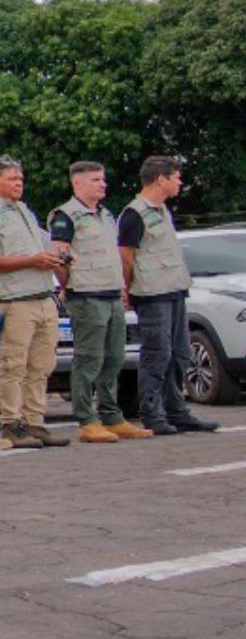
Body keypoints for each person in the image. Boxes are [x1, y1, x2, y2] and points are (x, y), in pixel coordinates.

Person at [49, 161, 149, 443]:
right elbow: (59, 257)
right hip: (87, 295)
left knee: (114, 357)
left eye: (102, 179)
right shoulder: (65, 216)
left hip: (111, 293)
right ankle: (86, 420)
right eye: (95, 180)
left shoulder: (105, 215)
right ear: (77, 184)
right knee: (89, 359)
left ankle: (112, 415)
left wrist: (121, 289)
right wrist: (69, 285)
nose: (102, 184)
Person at [120, 156, 219, 435]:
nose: (180, 182)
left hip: (173, 289)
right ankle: (152, 413)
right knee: (157, 354)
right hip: (152, 293)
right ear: (160, 179)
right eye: (176, 177)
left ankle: (177, 411)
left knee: (180, 353)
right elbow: (125, 257)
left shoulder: (162, 210)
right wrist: (126, 289)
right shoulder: (134, 214)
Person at [0, 157, 68, 449]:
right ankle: (11, 423)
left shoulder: (25, 211)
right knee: (13, 364)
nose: (19, 183)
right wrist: (33, 260)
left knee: (41, 365)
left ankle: (35, 421)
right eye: (12, 178)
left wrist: (53, 260)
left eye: (20, 178)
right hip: (13, 301)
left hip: (42, 296)